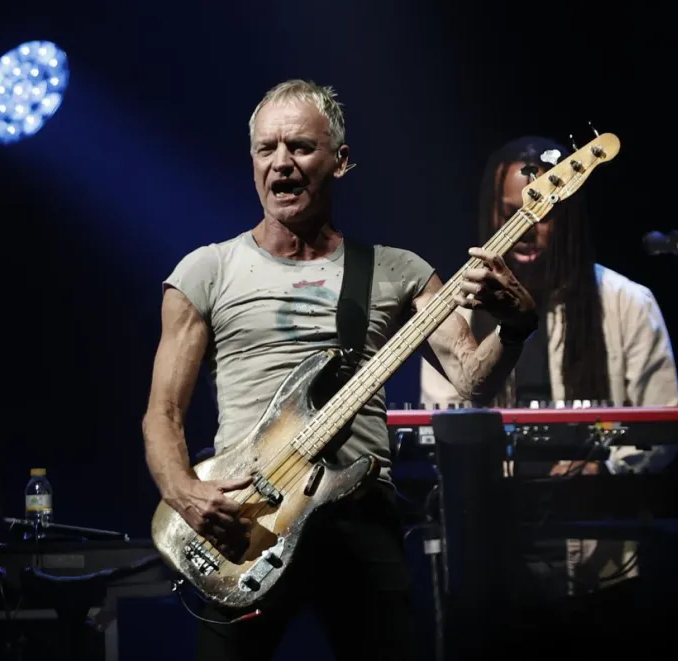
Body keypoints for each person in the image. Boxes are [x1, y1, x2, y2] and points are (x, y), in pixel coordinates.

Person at [141, 79, 539, 660]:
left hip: (359, 513)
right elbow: (163, 412)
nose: (281, 164)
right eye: (266, 149)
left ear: (341, 161)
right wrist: (185, 493)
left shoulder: (398, 271)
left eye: (300, 147)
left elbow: (473, 378)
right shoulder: (206, 270)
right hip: (247, 518)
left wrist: (517, 326)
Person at [420, 135, 678, 599]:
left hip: (601, 561)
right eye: (511, 213)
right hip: (490, 558)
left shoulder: (627, 303)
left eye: (543, 213)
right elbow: (437, 432)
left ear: (566, 217)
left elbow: (661, 425)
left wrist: (603, 469)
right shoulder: (455, 314)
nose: (526, 227)